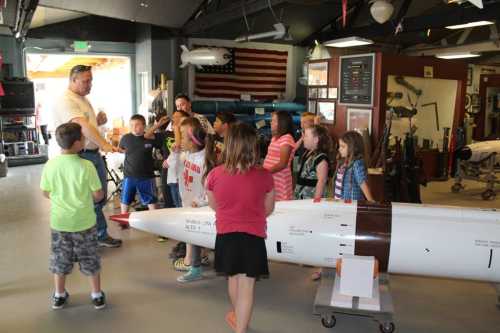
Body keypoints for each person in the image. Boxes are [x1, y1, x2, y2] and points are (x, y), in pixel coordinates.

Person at [206, 122, 275, 333]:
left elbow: (213, 205)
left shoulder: (215, 175)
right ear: (253, 147)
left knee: (233, 278)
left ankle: (238, 318)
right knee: (247, 286)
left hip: (226, 234)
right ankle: (241, 327)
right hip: (252, 236)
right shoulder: (265, 175)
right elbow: (269, 208)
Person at [52, 64, 121, 248]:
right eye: (86, 81)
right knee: (88, 198)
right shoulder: (66, 100)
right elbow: (81, 126)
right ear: (73, 80)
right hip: (81, 156)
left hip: (92, 154)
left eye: (91, 80)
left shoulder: (82, 98)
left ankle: (97, 234)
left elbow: (86, 125)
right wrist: (105, 144)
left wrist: (97, 121)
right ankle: (88, 238)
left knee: (98, 196)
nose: (90, 84)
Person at [40, 123, 106, 310]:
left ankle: (59, 295)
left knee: (60, 259)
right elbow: (98, 195)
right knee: (90, 258)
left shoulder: (50, 164)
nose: (85, 140)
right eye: (83, 138)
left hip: (60, 223)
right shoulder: (87, 165)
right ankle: (96, 295)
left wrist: (61, 197)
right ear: (77, 143)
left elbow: (45, 192)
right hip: (84, 222)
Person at [171, 117, 217, 282]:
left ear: (193, 140)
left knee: (195, 235)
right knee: (191, 235)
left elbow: (212, 188)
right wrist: (174, 155)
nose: (180, 140)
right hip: (188, 203)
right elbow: (173, 175)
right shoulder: (186, 155)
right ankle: (195, 262)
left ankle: (195, 266)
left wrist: (201, 201)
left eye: (183, 136)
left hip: (200, 207)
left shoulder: (206, 159)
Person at [119, 114, 161, 216]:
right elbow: (120, 149)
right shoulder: (125, 138)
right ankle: (123, 221)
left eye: (137, 124)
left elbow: (162, 147)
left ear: (144, 125)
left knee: (151, 201)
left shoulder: (150, 137)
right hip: (129, 176)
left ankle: (155, 222)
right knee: (125, 200)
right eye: (131, 125)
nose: (134, 127)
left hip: (147, 176)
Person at [263, 111, 296, 201]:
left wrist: (265, 172)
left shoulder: (287, 138)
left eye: (273, 121)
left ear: (281, 123)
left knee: (281, 206)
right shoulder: (274, 138)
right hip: (272, 178)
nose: (270, 123)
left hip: (280, 179)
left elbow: (283, 164)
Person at [334, 131, 374, 202]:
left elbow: (362, 183)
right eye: (340, 146)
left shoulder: (357, 164)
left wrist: (371, 202)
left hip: (352, 205)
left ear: (353, 147)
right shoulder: (344, 163)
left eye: (343, 146)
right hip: (342, 203)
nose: (339, 149)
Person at [294, 125, 332, 200]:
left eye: (306, 136)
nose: (303, 138)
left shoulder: (321, 159)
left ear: (316, 140)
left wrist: (316, 201)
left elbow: (321, 181)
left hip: (311, 199)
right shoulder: (308, 153)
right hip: (301, 197)